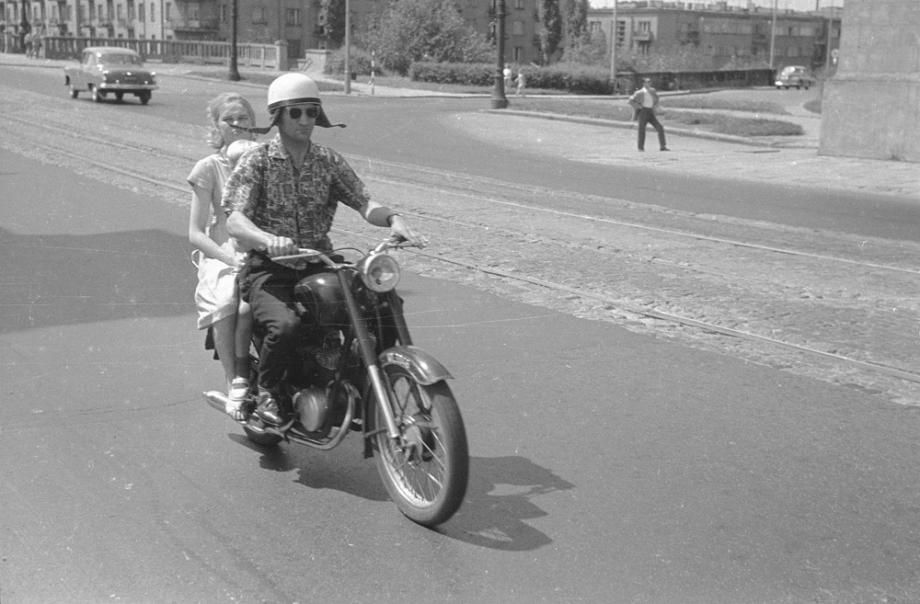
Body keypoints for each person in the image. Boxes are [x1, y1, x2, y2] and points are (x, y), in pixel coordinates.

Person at [222, 73, 424, 427]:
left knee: (381, 304)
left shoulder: (327, 161)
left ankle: (377, 379)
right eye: (295, 112)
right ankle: (269, 392)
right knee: (284, 326)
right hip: (270, 269)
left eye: (311, 113)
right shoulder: (258, 161)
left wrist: (393, 218)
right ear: (278, 117)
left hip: (319, 261)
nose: (304, 120)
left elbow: (363, 202)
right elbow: (235, 220)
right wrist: (268, 239)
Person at [187, 92, 257, 420]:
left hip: (260, 246)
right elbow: (196, 232)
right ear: (217, 126)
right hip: (223, 251)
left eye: (244, 118)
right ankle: (234, 383)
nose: (238, 125)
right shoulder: (209, 168)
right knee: (228, 300)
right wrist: (228, 259)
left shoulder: (264, 158)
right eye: (230, 119)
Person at [628, 77, 669, 152]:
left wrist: (657, 106)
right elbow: (631, 101)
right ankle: (640, 148)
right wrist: (638, 106)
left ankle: (663, 146)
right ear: (643, 83)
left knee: (659, 127)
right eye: (646, 82)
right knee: (642, 130)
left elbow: (656, 99)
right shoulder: (639, 92)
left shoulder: (652, 91)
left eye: (649, 82)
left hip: (651, 111)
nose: (648, 84)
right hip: (643, 111)